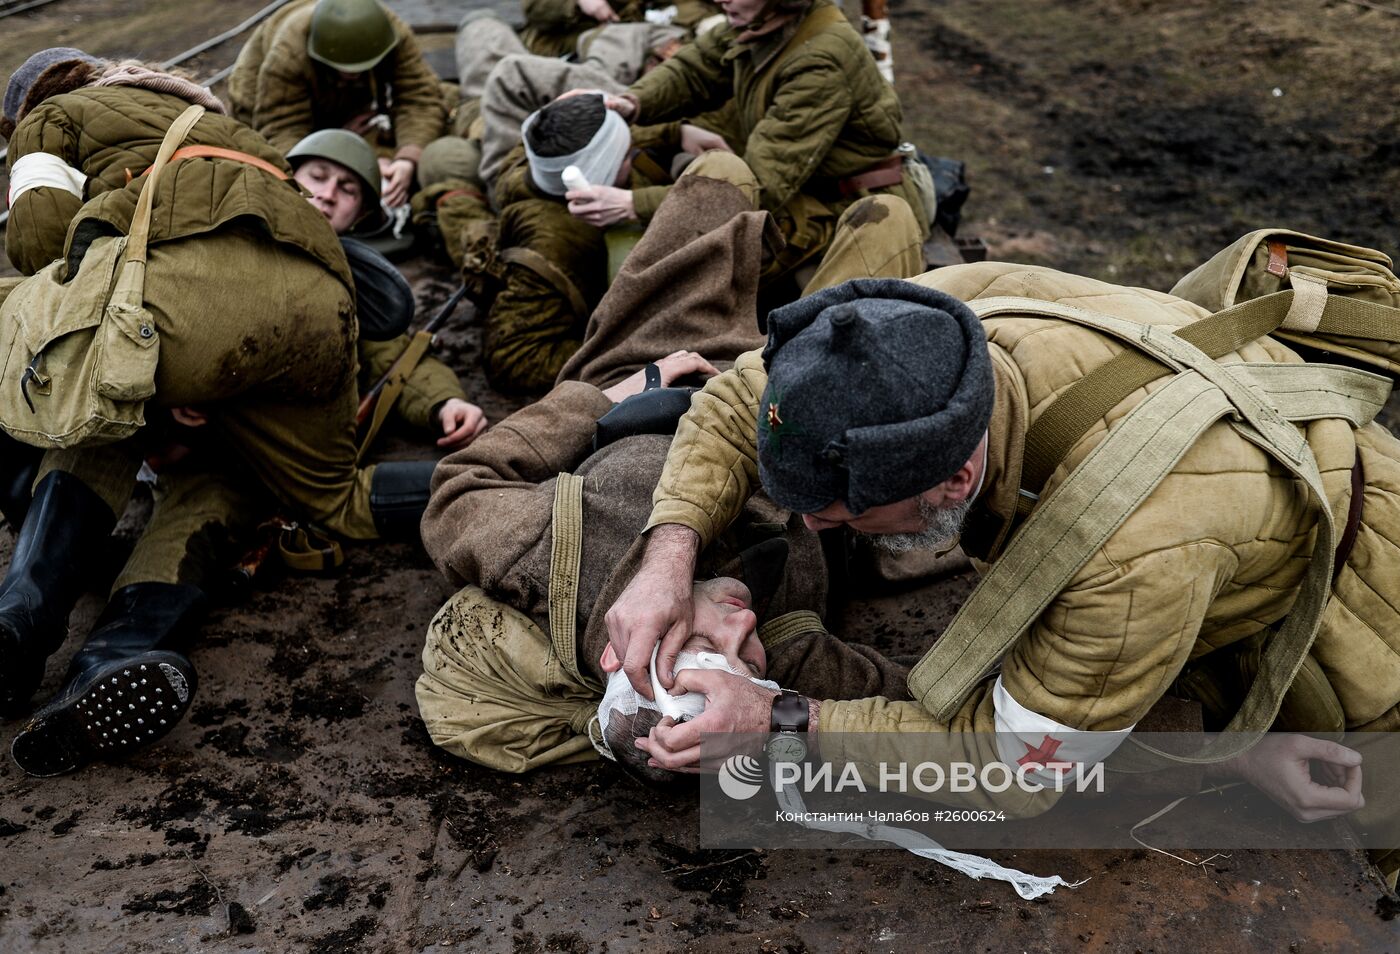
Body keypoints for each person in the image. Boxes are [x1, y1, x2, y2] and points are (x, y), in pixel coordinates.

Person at [602, 259, 1400, 877]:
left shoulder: (1124, 557)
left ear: (952, 484)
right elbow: (739, 402)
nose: (810, 526)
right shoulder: (926, 332)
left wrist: (783, 722)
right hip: (1227, 493)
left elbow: (1015, 766)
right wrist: (667, 557)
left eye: (843, 514)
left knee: (1369, 818)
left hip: (1359, 606)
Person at [415, 151, 926, 775]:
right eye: (750, 667)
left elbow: (458, 486)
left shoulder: (552, 562)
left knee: (721, 172)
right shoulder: (787, 655)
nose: (744, 625)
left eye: (706, 641)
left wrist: (612, 396)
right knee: (888, 217)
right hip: (803, 403)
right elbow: (946, 718)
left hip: (670, 366)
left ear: (619, 652)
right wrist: (789, 718)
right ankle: (780, 277)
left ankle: (750, 259)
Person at [1, 125, 486, 778]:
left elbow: (395, 356)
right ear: (287, 175)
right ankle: (17, 624)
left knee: (195, 523)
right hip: (137, 417)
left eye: (347, 191)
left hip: (239, 454)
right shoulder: (210, 223)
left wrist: (443, 400)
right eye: (319, 177)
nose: (328, 195)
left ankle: (109, 662)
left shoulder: (339, 281)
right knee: (86, 444)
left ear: (362, 214)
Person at [586, 0, 931, 291]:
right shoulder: (759, 24)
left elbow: (759, 187)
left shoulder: (820, 60)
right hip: (805, 190)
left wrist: (634, 205)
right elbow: (694, 71)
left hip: (856, 209)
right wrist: (633, 102)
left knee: (717, 273)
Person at [475, 93, 731, 393]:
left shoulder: (535, 157)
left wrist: (674, 132)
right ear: (595, 179)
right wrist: (630, 352)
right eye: (625, 155)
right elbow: (512, 358)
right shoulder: (555, 244)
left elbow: (592, 148)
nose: (633, 154)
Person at [226, 0, 447, 207]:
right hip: (264, 101)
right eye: (345, 68)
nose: (353, 73)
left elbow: (420, 97)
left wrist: (407, 159)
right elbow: (281, 127)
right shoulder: (289, 53)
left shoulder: (390, 33)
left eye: (361, 67)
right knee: (269, 168)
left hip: (344, 100)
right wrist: (323, 163)